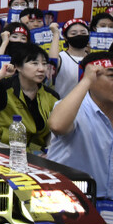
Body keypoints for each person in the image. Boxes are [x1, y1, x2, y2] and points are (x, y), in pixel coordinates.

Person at [0, 43, 59, 151]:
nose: (42, 69)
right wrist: (1, 74)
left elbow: (51, 132)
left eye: (44, 64)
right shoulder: (4, 87)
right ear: (18, 66)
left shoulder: (51, 96)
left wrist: (49, 150)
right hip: (2, 148)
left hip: (34, 153)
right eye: (35, 63)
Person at [48, 52, 113, 198]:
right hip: (68, 199)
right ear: (92, 78)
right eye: (111, 76)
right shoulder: (75, 108)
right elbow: (57, 125)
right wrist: (86, 80)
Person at [54, 19, 91, 99]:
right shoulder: (61, 58)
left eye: (83, 33)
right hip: (63, 104)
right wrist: (56, 34)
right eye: (74, 33)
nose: (79, 35)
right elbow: (52, 64)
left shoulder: (93, 59)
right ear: (65, 37)